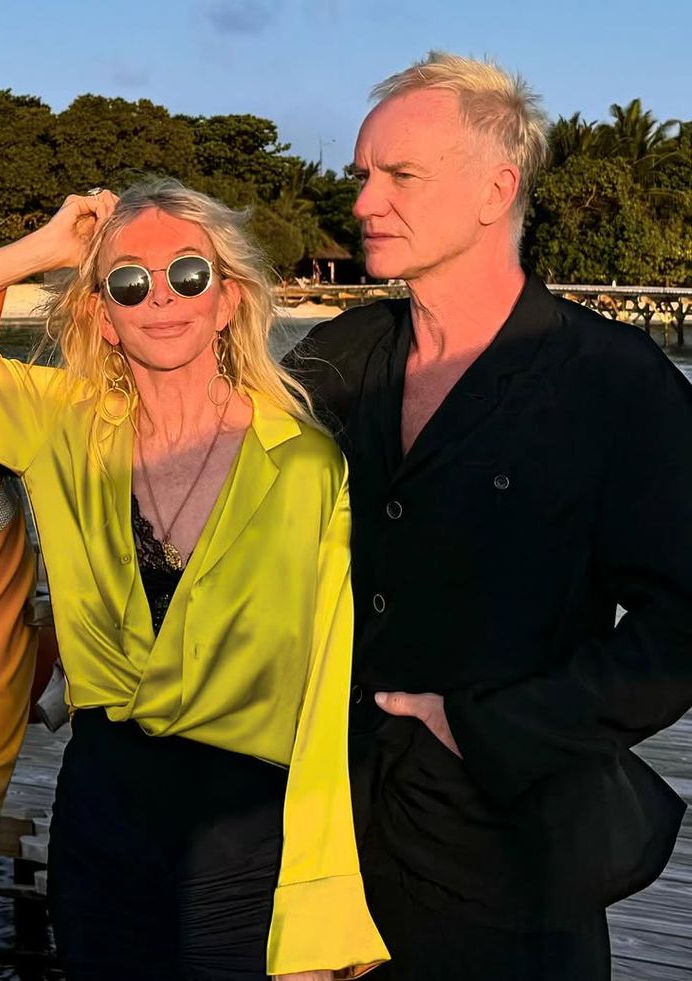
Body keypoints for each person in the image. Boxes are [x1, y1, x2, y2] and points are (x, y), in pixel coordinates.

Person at [0, 178, 388, 980]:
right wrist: (44, 251)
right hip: (102, 811)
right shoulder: (59, 421)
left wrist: (318, 921)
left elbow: (325, 694)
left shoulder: (306, 464)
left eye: (189, 274)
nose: (161, 297)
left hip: (246, 831)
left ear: (229, 298)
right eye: (129, 281)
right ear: (103, 315)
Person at [287, 51, 692, 980]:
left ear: (494, 189)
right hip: (332, 853)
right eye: (362, 176)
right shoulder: (338, 358)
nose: (363, 204)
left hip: (512, 856)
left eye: (400, 176)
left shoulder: (611, 381)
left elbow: (683, 621)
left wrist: (487, 725)